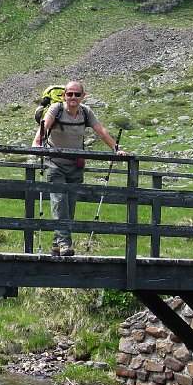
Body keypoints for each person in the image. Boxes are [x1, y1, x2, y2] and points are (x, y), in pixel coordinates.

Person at [32, 80, 126, 256]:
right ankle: (65, 244)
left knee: (70, 206)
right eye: (70, 94)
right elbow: (44, 127)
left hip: (75, 166)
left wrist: (116, 149)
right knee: (59, 202)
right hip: (55, 163)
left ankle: (55, 244)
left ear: (83, 96)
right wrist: (37, 144)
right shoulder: (56, 110)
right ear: (64, 95)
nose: (73, 97)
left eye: (77, 94)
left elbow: (101, 131)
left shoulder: (85, 112)